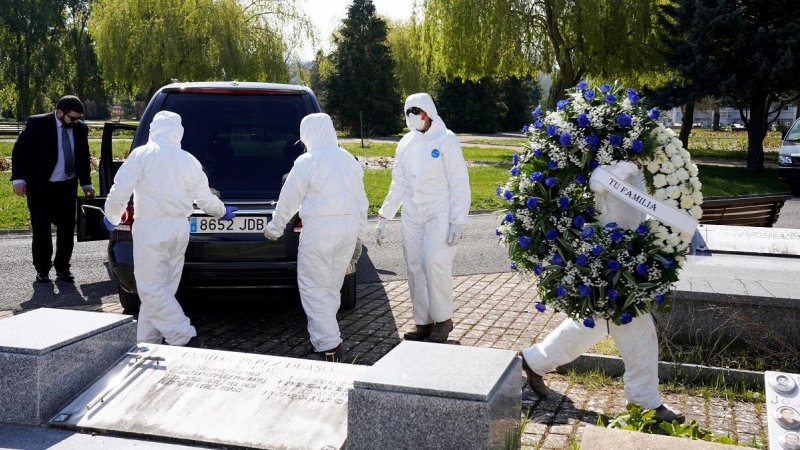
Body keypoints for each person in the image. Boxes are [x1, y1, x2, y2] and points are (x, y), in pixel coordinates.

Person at [519, 160, 686, 424]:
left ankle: (534, 361)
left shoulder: (637, 168)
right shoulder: (612, 165)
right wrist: (629, 166)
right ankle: (646, 404)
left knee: (589, 327)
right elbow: (597, 181)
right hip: (609, 267)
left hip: (627, 263)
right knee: (640, 334)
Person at [103, 111, 237, 347]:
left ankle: (181, 334)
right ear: (179, 132)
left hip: (151, 227)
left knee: (150, 289)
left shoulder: (142, 155)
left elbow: (120, 188)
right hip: (179, 229)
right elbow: (205, 199)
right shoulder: (189, 160)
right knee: (163, 290)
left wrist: (112, 216)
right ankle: (148, 342)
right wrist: (222, 211)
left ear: (154, 129)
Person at [263, 113, 368, 362]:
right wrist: (359, 235)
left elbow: (290, 199)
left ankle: (328, 346)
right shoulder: (348, 160)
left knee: (313, 287)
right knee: (331, 287)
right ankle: (326, 337)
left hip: (320, 230)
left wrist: (275, 229)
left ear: (308, 134)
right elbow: (361, 200)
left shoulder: (307, 161)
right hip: (348, 229)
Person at [374, 93, 470, 343]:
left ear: (428, 112)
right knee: (415, 265)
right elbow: (399, 183)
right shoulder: (405, 143)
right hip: (413, 211)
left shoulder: (446, 140)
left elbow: (459, 182)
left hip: (440, 209)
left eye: (416, 111)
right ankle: (423, 322)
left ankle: (443, 320)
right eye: (408, 112)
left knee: (433, 262)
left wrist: (458, 220)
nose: (412, 117)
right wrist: (384, 217)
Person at [11, 95, 95, 283]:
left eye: (78, 118)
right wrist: (18, 179)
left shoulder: (80, 128)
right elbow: (20, 152)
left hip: (66, 186)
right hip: (41, 186)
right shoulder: (37, 124)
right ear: (59, 112)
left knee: (67, 227)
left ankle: (63, 268)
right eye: (72, 118)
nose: (76, 121)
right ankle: (42, 269)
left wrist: (86, 184)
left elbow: (83, 156)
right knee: (41, 228)